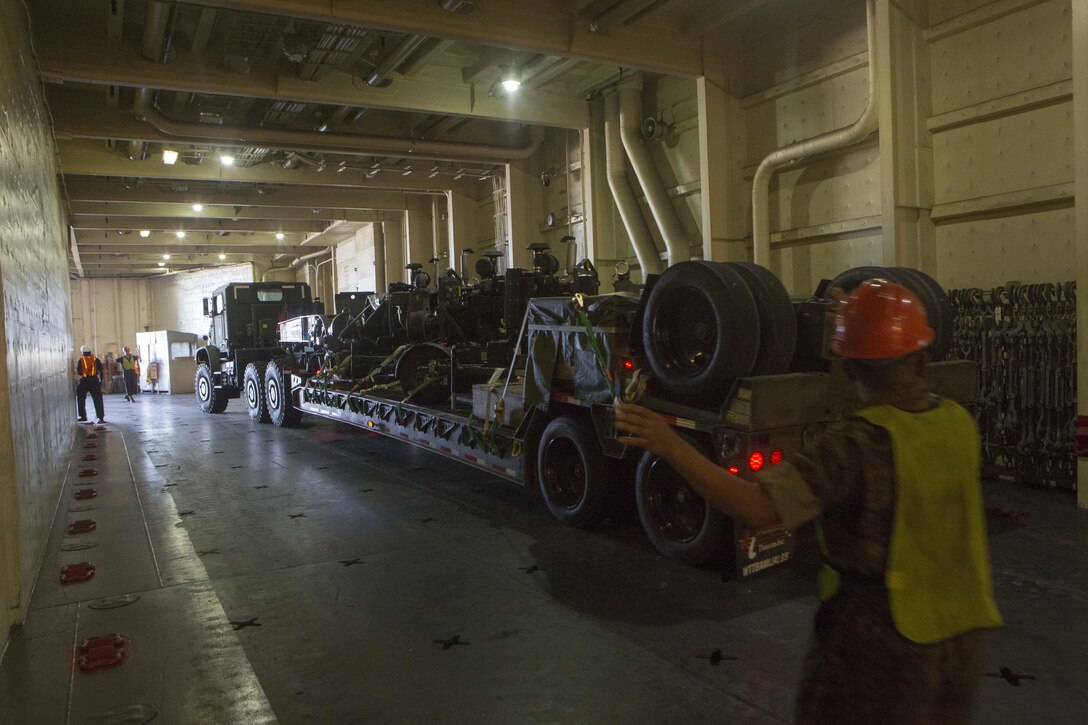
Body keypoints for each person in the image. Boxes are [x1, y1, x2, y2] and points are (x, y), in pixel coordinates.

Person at [615, 278, 1002, 724]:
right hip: (962, 641)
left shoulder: (855, 446)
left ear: (850, 369)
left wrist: (670, 444)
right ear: (923, 359)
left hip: (882, 651)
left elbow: (761, 511)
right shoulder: (958, 424)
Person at [74, 344, 106, 424]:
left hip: (84, 381)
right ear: (90, 351)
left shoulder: (81, 360)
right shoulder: (96, 359)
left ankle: (83, 416)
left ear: (82, 352)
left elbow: (79, 372)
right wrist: (100, 382)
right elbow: (101, 371)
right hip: (94, 381)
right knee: (98, 399)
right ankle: (100, 417)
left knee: (81, 398)